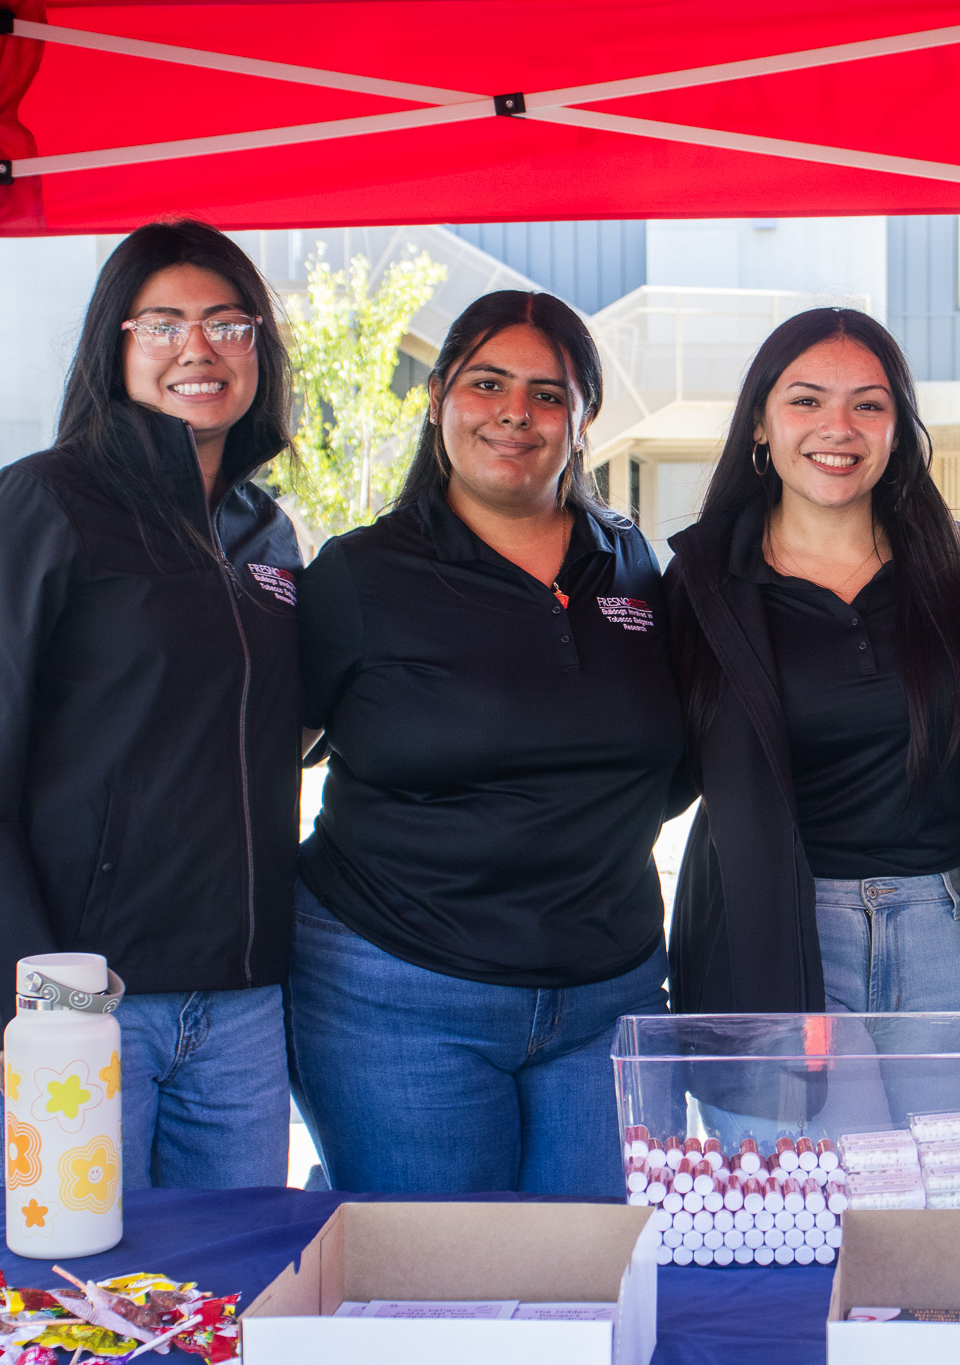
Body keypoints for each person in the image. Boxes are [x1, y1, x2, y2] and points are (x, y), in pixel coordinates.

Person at [0, 220, 301, 1189]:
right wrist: (45, 1006)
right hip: (84, 1000)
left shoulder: (266, 532)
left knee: (240, 1307)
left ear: (259, 345)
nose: (197, 348)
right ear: (114, 343)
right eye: (163, 322)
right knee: (67, 1315)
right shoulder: (41, 505)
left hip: (241, 1011)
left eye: (226, 322)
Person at [290, 290, 683, 1197]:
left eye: (549, 393)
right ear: (437, 400)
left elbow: (664, 762)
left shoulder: (630, 565)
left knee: (597, 1284)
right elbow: (263, 757)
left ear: (584, 419)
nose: (515, 412)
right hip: (398, 993)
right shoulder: (358, 576)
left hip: (608, 997)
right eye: (487, 383)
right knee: (437, 1294)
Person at [665, 307, 960, 1020]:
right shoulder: (701, 582)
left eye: (869, 404)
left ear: (899, 428)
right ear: (761, 424)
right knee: (787, 1136)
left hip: (943, 924)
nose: (839, 427)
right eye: (805, 401)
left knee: (947, 1137)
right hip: (771, 929)